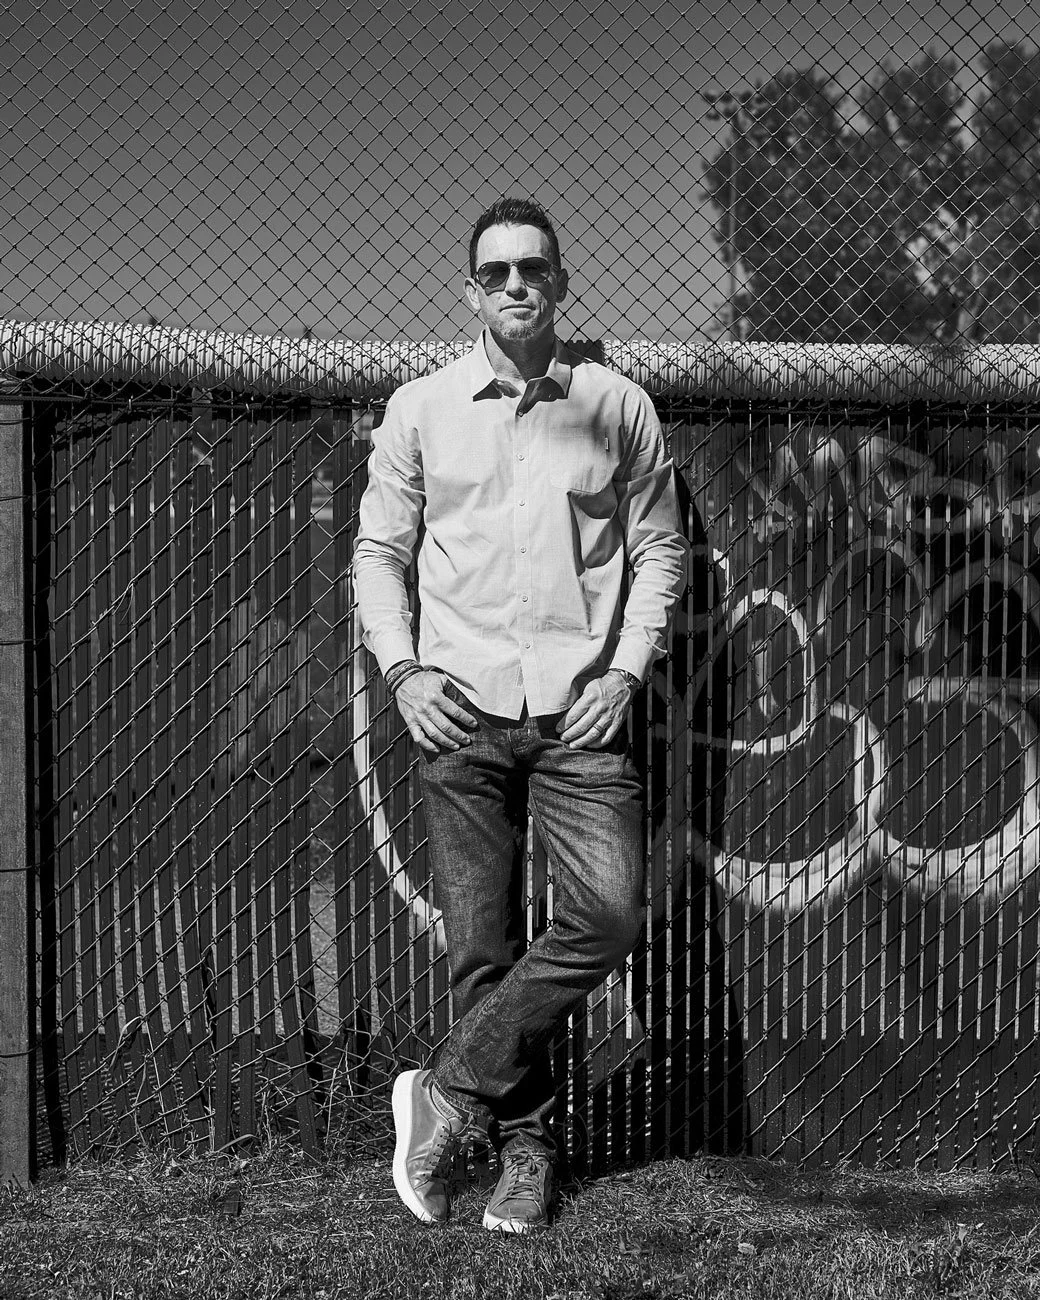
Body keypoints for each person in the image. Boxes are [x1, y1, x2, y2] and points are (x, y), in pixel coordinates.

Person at [352, 196, 689, 1232]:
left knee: (608, 912)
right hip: (458, 712)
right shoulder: (420, 409)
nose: (513, 284)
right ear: (470, 290)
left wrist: (625, 674)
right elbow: (377, 552)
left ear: (559, 283)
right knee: (481, 949)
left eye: (531, 269)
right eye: (495, 270)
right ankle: (524, 1154)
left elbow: (659, 549)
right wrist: (404, 673)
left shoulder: (615, 405)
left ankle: (447, 1088)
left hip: (581, 715)